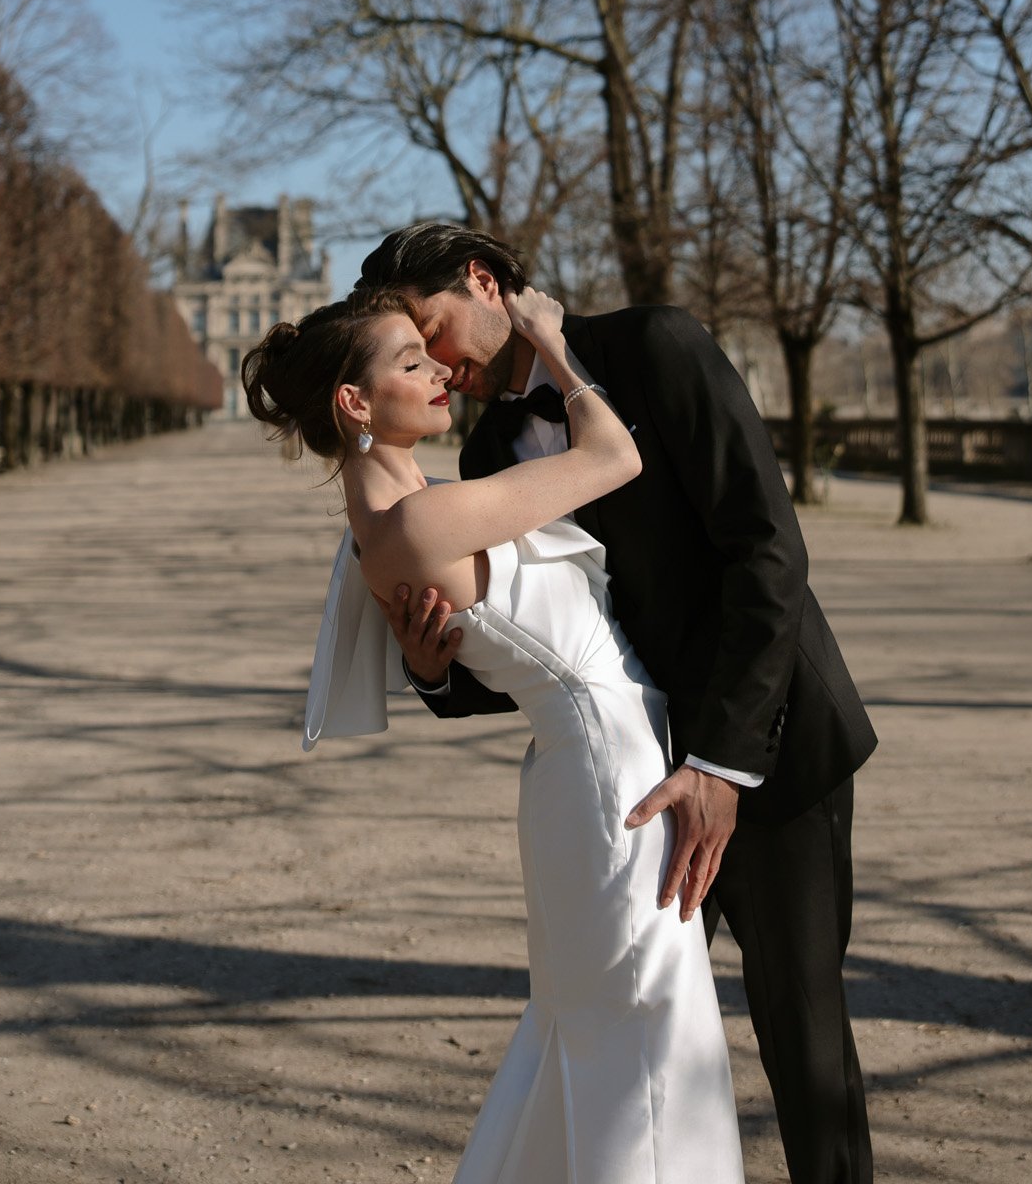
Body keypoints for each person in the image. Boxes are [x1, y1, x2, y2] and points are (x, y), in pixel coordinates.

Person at [358, 223, 878, 1184]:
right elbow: (554, 651)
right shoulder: (490, 455)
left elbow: (766, 553)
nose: (434, 362)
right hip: (631, 793)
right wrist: (435, 668)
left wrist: (723, 763)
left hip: (766, 750)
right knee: (632, 1035)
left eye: (433, 329)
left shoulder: (656, 347)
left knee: (803, 1043)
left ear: (484, 281)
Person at [243, 284, 746, 1184]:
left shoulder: (407, 514)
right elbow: (614, 454)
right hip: (610, 779)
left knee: (605, 1030)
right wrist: (551, 344)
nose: (439, 369)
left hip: (590, 772)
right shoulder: (427, 518)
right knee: (644, 1040)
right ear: (353, 405)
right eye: (409, 362)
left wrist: (435, 670)